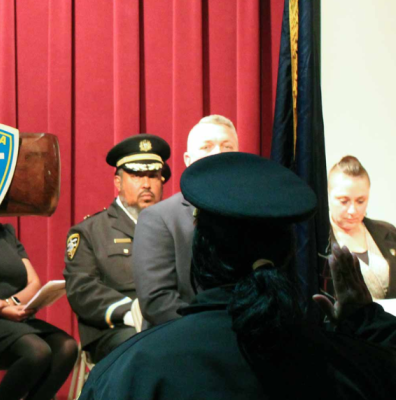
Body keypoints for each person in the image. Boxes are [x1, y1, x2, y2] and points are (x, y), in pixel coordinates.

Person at [79, 152, 396, 400]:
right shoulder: (345, 364)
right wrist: (365, 321)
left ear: (200, 254)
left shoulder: (129, 371)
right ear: (287, 254)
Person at [63, 133, 171, 363]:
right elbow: (82, 289)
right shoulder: (90, 231)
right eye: (136, 175)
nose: (146, 184)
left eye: (153, 175)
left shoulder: (174, 227)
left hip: (167, 319)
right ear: (118, 182)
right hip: (115, 328)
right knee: (145, 347)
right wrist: (129, 310)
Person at [133, 115, 239, 328]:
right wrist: (210, 331)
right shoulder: (159, 218)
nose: (217, 154)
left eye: (227, 147)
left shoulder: (255, 213)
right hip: (183, 338)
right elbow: (158, 302)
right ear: (188, 160)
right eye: (206, 147)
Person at [0, 221, 78, 400]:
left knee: (67, 347)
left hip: (12, 316)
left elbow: (34, 283)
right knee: (37, 351)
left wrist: (9, 303)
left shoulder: (6, 233)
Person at [326, 155, 396, 299]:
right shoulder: (320, 239)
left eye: (360, 201)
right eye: (344, 201)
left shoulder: (388, 232)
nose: (353, 210)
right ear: (328, 196)